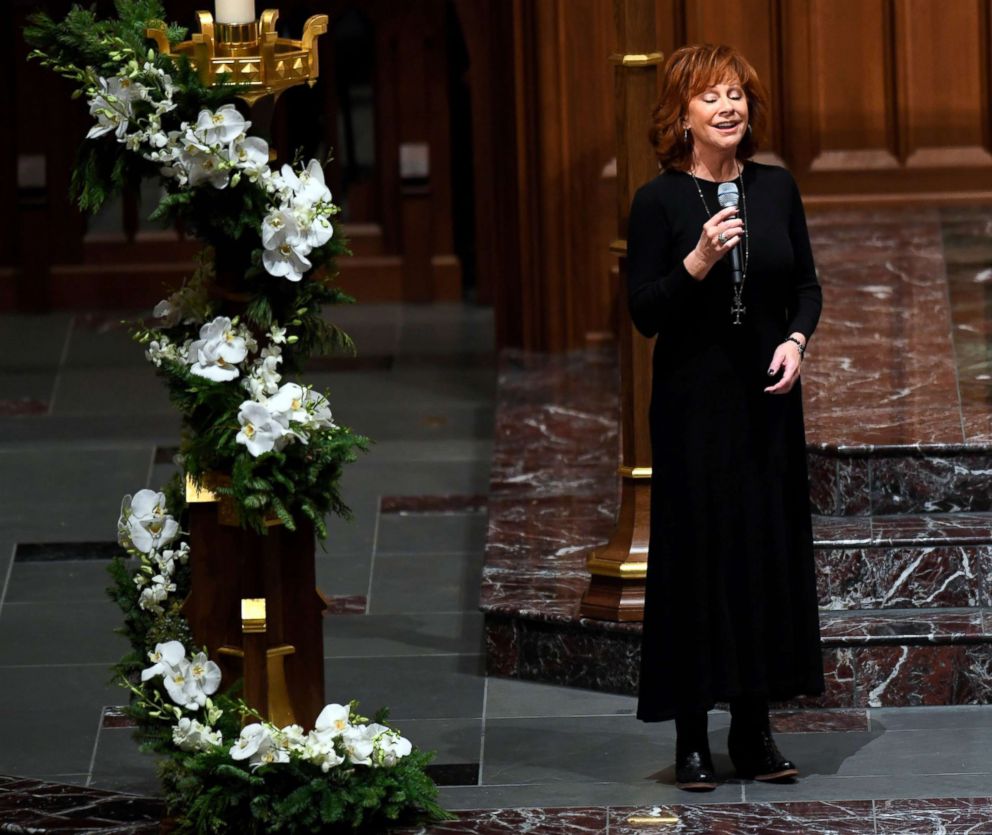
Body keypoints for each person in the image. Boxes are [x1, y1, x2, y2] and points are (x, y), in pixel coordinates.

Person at [627, 43, 825, 791]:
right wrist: (697, 262)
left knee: (760, 555)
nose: (729, 107)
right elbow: (644, 313)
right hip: (692, 409)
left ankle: (755, 728)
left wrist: (796, 341)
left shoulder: (775, 189)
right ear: (682, 115)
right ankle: (692, 737)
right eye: (711, 96)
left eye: (737, 93)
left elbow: (806, 285)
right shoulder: (660, 202)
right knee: (698, 560)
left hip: (767, 403)